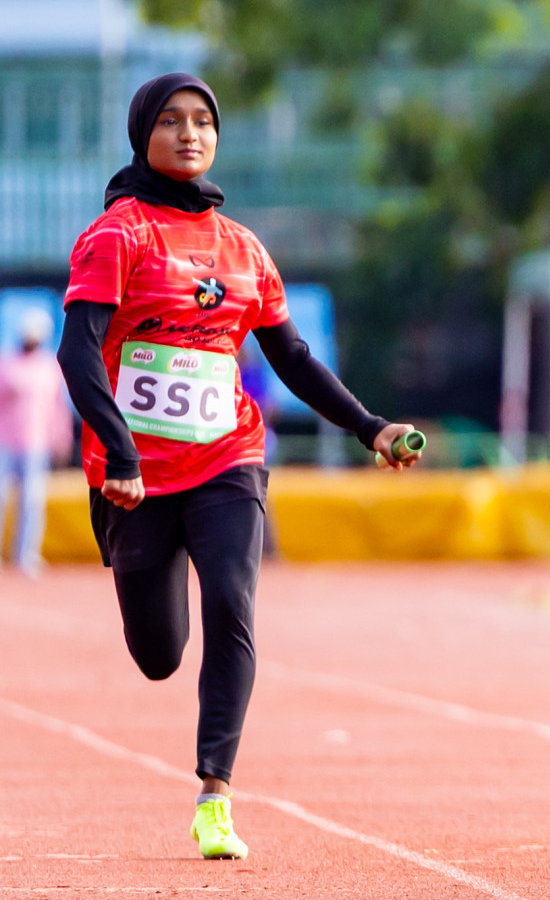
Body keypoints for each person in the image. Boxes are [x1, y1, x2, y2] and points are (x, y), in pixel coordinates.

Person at [55, 73, 422, 860]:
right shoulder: (117, 235)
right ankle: (141, 561)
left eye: (203, 123)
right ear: (141, 135)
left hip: (228, 459)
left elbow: (291, 357)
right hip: (133, 475)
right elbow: (76, 349)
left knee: (232, 600)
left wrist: (371, 428)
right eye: (171, 122)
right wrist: (118, 449)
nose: (190, 135)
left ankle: (215, 791)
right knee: (158, 655)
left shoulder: (243, 246)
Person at [0, 307, 72, 576]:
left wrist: (61, 437)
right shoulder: (6, 364)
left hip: (35, 443)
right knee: (1, 498)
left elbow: (57, 407)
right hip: (5, 442)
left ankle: (25, 555)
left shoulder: (49, 367)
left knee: (31, 500)